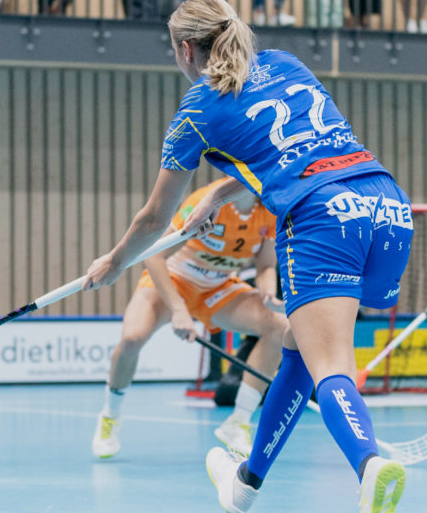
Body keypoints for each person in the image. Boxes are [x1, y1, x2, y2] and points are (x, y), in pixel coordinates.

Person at [83, 0, 412, 513]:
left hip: (321, 215)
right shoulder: (285, 63)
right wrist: (221, 192)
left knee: (330, 365)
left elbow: (156, 219)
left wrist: (113, 262)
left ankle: (369, 465)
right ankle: (246, 485)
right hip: (386, 205)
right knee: (298, 346)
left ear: (187, 50)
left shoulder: (196, 110)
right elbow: (301, 150)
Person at [92, 179, 286, 460]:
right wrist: (179, 309)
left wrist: (267, 292)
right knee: (132, 339)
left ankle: (238, 422)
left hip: (217, 287)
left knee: (279, 327)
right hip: (175, 280)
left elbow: (266, 265)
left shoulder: (270, 208)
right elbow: (154, 256)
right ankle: (110, 416)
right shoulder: (206, 201)